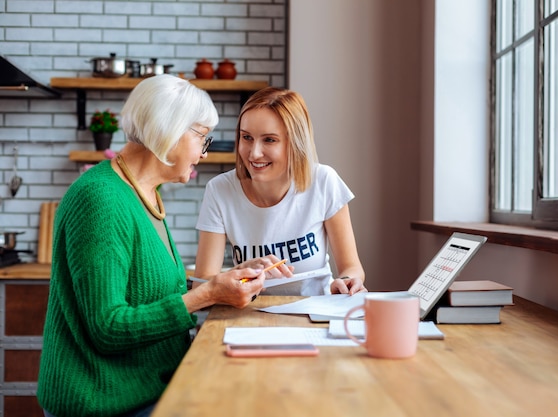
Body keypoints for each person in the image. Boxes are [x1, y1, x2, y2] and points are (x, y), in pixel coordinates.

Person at [37, 74, 269, 417]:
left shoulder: (145, 193)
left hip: (146, 389)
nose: (204, 153)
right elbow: (108, 326)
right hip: (103, 401)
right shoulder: (100, 198)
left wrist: (223, 281)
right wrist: (206, 295)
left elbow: (152, 291)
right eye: (202, 138)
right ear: (172, 131)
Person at [194, 87, 366, 296]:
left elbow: (351, 267)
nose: (254, 153)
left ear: (295, 143)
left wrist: (347, 282)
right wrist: (241, 271)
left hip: (313, 316)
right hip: (249, 316)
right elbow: (202, 286)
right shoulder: (220, 190)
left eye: (269, 140)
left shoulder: (324, 182)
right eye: (247, 137)